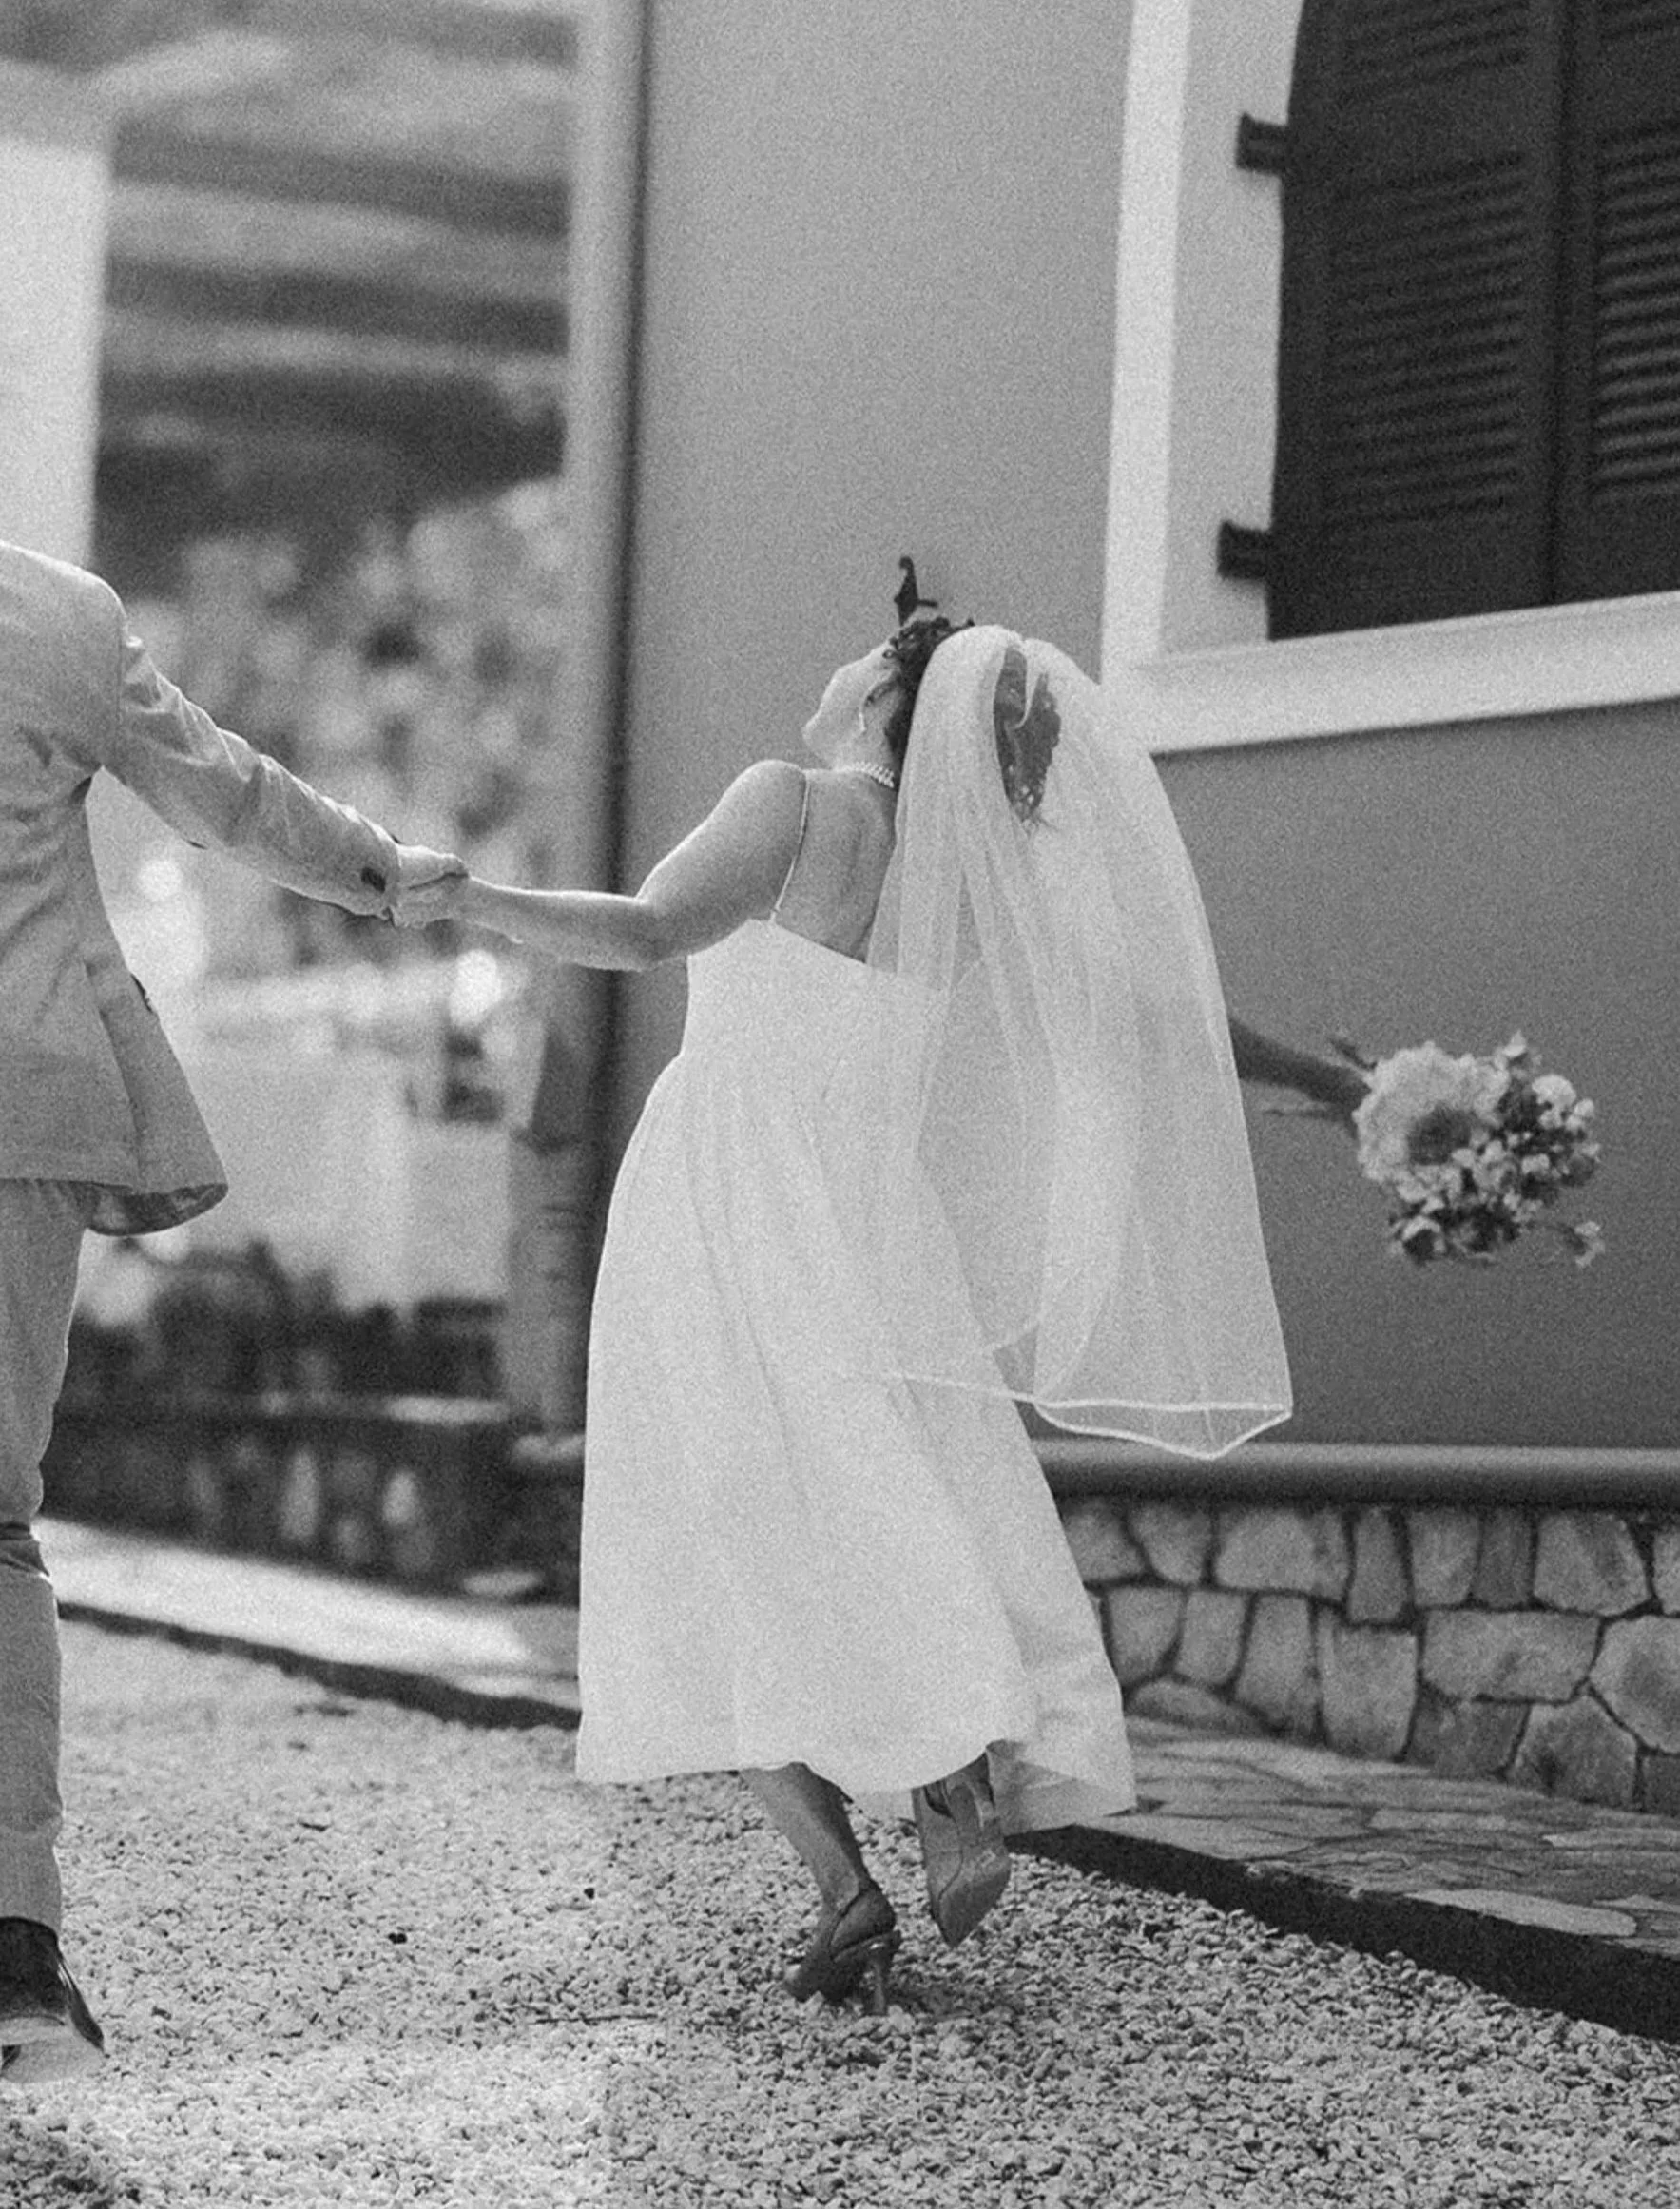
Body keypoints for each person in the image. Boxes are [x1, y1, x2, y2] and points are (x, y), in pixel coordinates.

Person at [398, 581, 1365, 2014]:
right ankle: (942, 1758)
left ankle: (855, 1864)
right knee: (885, 1484)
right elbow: (1155, 1020)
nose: (841, 654)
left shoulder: (794, 800)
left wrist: (475, 897)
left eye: (865, 649)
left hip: (727, 1188)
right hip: (871, 1216)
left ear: (890, 701)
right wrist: (1330, 1079)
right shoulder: (964, 883)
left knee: (711, 1514)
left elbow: (650, 929)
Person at [0, 539, 461, 2085]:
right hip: (28, 1108)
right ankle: (13, 1949)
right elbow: (221, 788)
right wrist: (374, 865)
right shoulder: (58, 616)